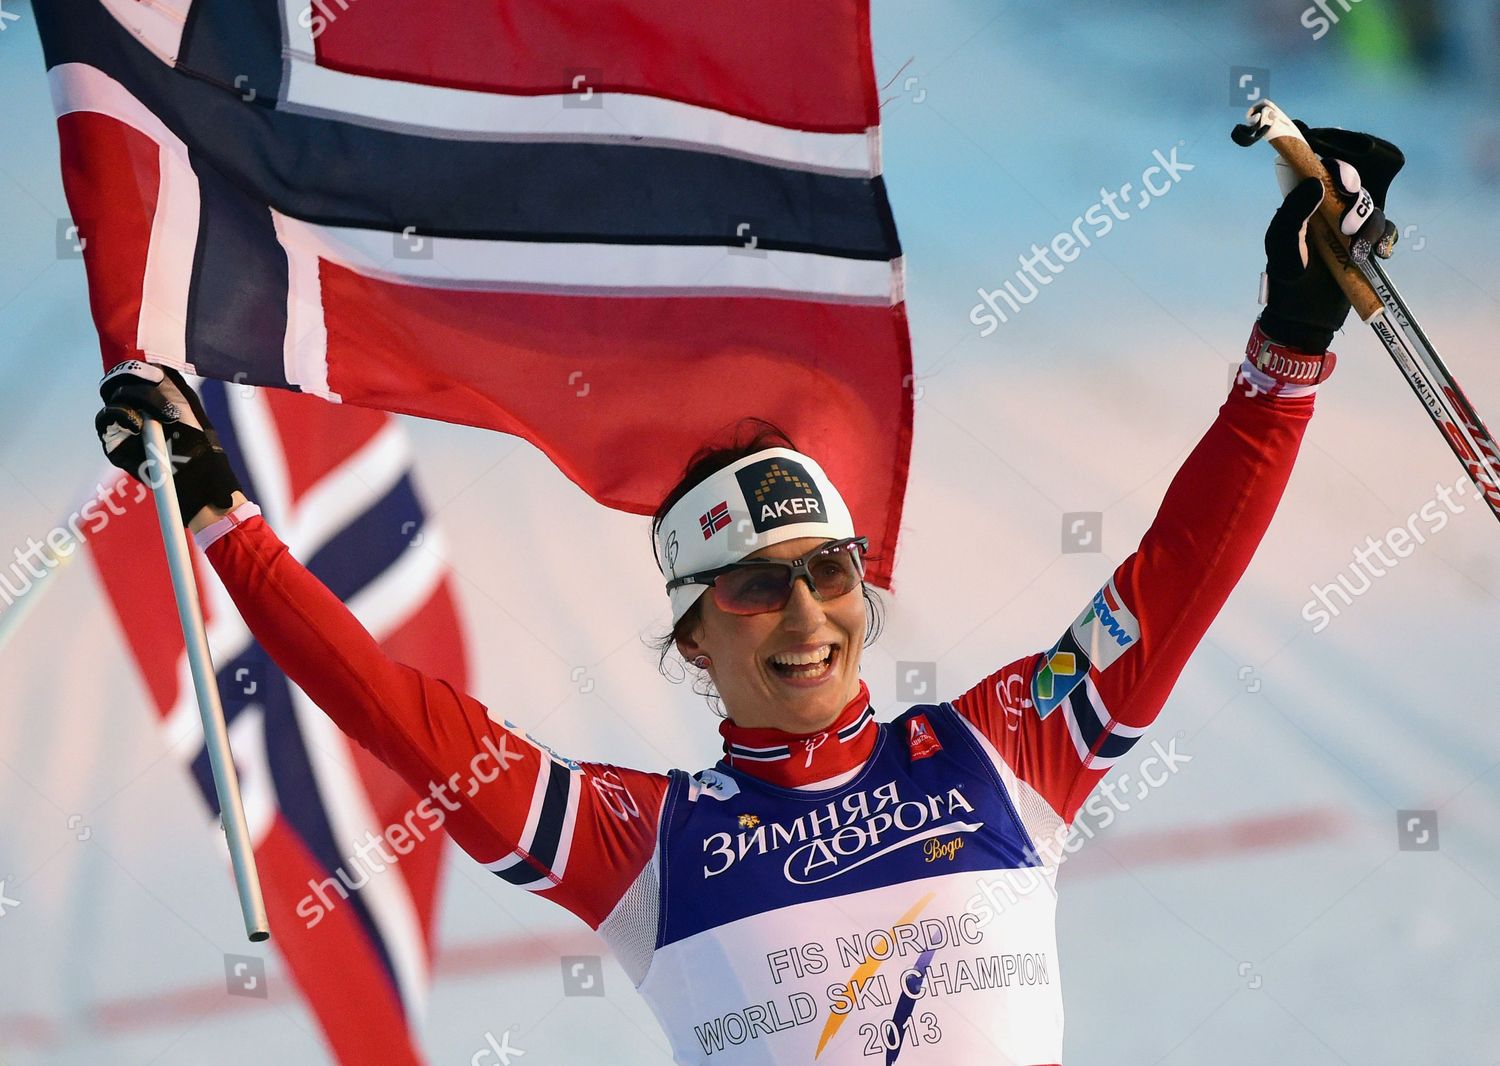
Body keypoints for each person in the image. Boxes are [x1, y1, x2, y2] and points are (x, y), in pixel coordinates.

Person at [94, 126, 1402, 1065]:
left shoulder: (1006, 746)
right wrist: (222, 515)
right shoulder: (639, 844)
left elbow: (1174, 579)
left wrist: (1291, 334)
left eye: (829, 573)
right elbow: (399, 713)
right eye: (757, 590)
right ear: (692, 636)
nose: (809, 616)